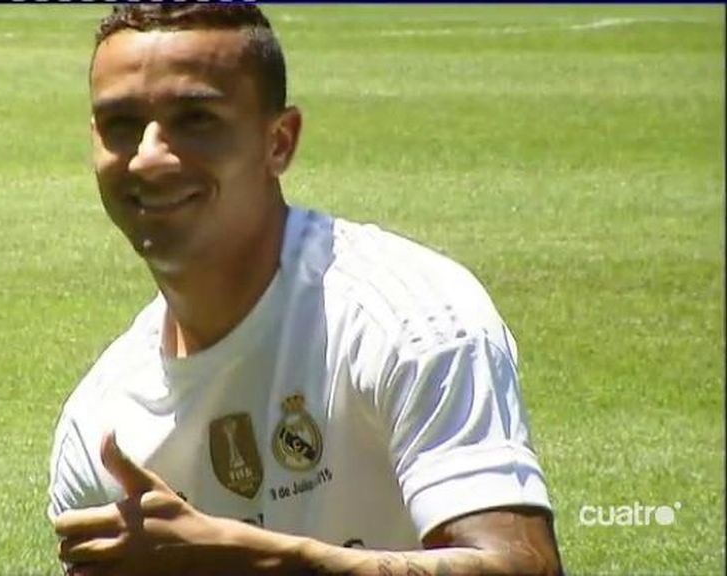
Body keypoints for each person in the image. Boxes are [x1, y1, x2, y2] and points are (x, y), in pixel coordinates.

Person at [47, 5, 563, 575]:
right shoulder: (101, 423)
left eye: (195, 119)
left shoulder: (408, 322)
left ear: (280, 142)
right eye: (120, 124)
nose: (149, 156)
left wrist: (260, 560)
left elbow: (522, 568)